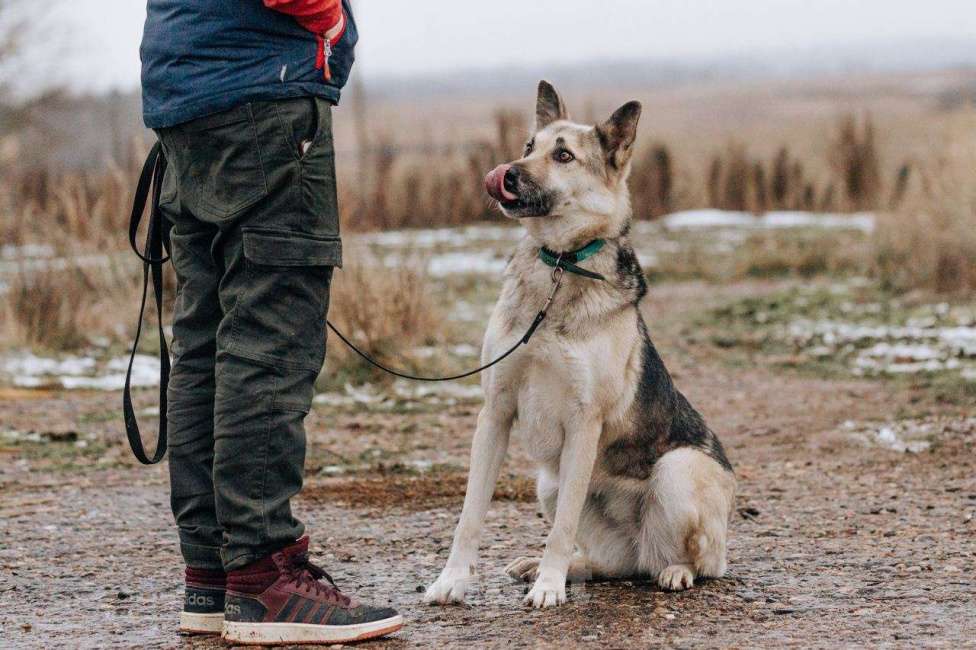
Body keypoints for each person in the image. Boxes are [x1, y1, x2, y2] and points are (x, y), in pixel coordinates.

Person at [140, 0, 403, 644]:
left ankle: (213, 573)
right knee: (269, 342)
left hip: (188, 96)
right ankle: (263, 579)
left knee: (204, 344)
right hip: (265, 98)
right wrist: (332, 24)